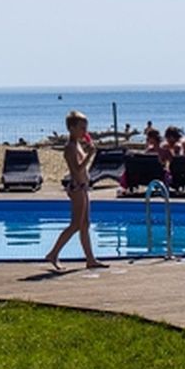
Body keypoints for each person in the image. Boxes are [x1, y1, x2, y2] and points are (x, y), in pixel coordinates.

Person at [43, 111, 108, 272]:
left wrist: (87, 151)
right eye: (81, 128)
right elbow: (77, 169)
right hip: (77, 187)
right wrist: (90, 155)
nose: (85, 131)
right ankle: (53, 253)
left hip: (83, 187)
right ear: (71, 128)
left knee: (85, 224)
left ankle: (90, 259)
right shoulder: (70, 148)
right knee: (75, 225)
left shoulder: (77, 145)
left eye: (86, 128)